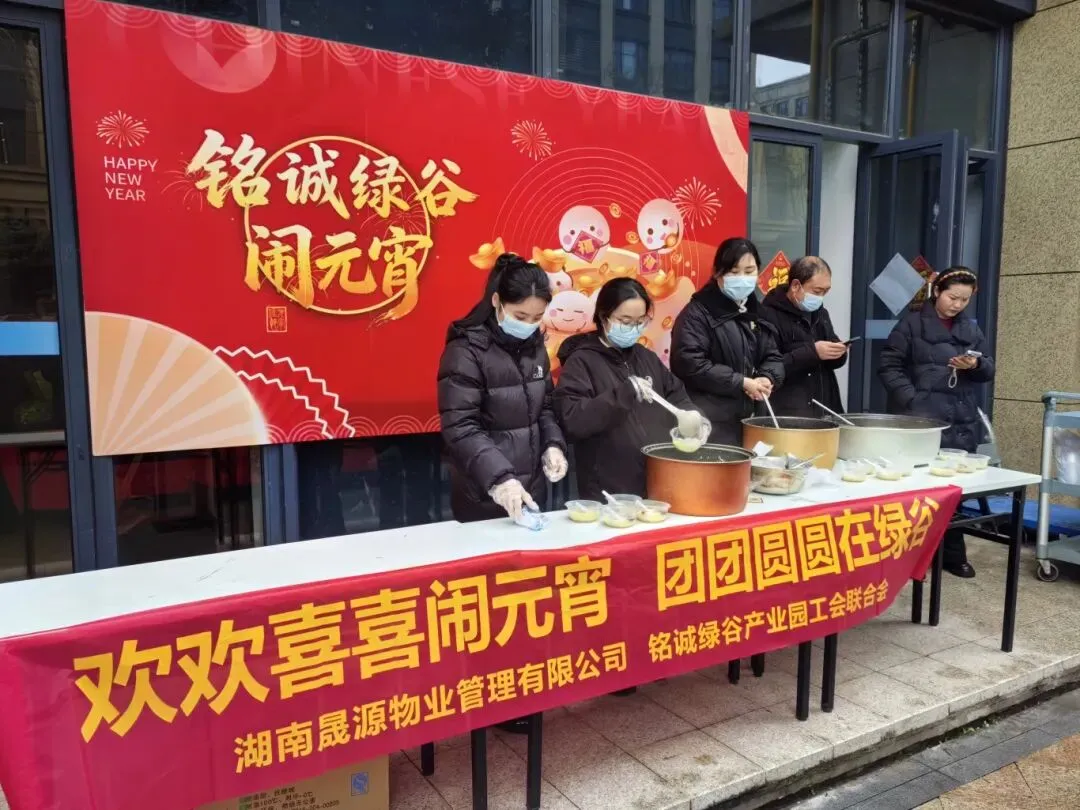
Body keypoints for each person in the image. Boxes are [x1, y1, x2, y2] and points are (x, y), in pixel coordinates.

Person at [878, 267, 995, 579]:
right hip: (920, 420)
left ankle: (951, 554)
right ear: (937, 291)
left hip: (960, 417)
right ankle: (910, 557)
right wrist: (913, 400)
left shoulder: (970, 328)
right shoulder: (911, 324)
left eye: (964, 300)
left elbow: (988, 370)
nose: (957, 304)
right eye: (952, 297)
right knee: (916, 489)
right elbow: (888, 366)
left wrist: (975, 364)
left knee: (953, 490)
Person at [437, 253, 568, 524]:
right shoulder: (466, 351)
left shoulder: (535, 347)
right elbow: (461, 426)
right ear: (497, 301)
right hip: (485, 490)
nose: (529, 325)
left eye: (537, 317)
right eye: (520, 315)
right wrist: (501, 479)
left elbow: (545, 407)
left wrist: (553, 445)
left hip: (532, 489)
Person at [554, 277, 707, 501]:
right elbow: (573, 419)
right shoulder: (582, 361)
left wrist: (695, 417)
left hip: (654, 478)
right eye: (625, 321)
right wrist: (623, 394)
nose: (633, 328)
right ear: (604, 317)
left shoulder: (647, 357)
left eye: (640, 321)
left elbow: (676, 396)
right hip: (606, 488)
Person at [670, 237, 785, 445]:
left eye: (749, 271)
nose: (742, 278)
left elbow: (773, 355)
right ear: (717, 273)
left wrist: (768, 377)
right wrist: (740, 382)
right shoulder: (697, 314)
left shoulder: (757, 311)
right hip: (712, 424)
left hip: (752, 421)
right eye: (734, 272)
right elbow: (689, 364)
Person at [759, 255, 848, 418]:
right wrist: (813, 352)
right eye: (817, 291)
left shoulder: (820, 313)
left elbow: (830, 360)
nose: (820, 297)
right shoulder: (768, 314)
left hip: (825, 407)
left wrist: (838, 351)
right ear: (795, 286)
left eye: (826, 291)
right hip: (789, 412)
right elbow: (768, 367)